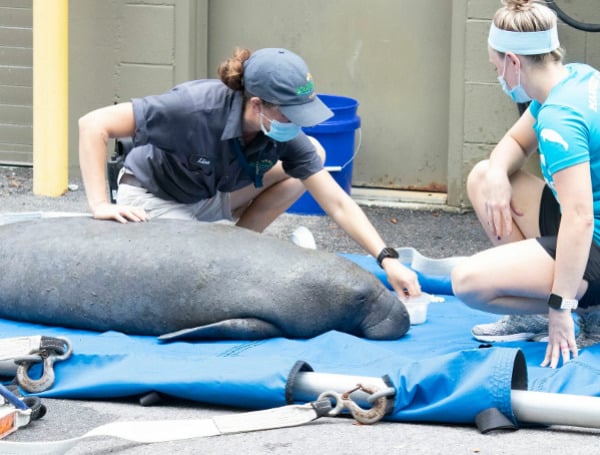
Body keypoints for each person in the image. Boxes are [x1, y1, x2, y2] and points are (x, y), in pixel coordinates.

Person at [78, 47, 421, 299]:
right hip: (153, 197)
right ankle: (224, 258)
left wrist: (387, 259)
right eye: (291, 113)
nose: (298, 122)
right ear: (257, 104)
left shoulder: (278, 130)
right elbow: (93, 124)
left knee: (310, 158)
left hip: (207, 193)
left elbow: (337, 202)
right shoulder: (193, 107)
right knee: (191, 285)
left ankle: (237, 248)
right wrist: (99, 205)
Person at [451, 0, 600, 369]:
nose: (498, 76)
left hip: (592, 242)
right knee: (484, 177)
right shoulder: (574, 77)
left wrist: (561, 307)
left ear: (514, 62)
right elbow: (515, 144)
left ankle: (586, 307)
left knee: (467, 282)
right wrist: (499, 174)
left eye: (496, 66)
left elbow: (580, 219)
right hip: (585, 226)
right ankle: (546, 306)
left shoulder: (558, 119)